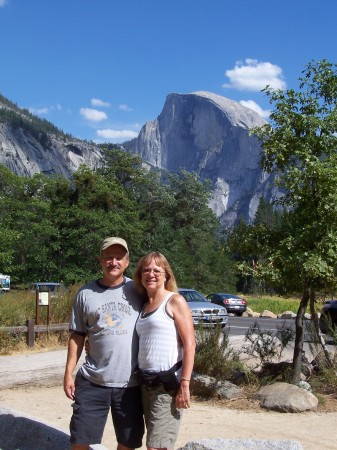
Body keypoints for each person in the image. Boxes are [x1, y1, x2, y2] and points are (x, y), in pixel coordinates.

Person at [63, 237, 145, 450]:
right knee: (80, 441)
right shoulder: (85, 294)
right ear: (100, 260)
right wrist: (68, 373)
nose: (114, 262)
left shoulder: (140, 290)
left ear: (127, 262)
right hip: (93, 380)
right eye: (108, 257)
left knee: (127, 443)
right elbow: (77, 336)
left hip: (131, 383)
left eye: (119, 257)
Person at [133, 251, 196, 450]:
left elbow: (190, 344)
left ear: (166, 275)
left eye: (156, 270)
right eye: (146, 270)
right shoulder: (143, 306)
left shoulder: (174, 301)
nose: (151, 274)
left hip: (166, 386)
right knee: (155, 443)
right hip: (145, 384)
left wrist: (184, 383)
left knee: (157, 446)